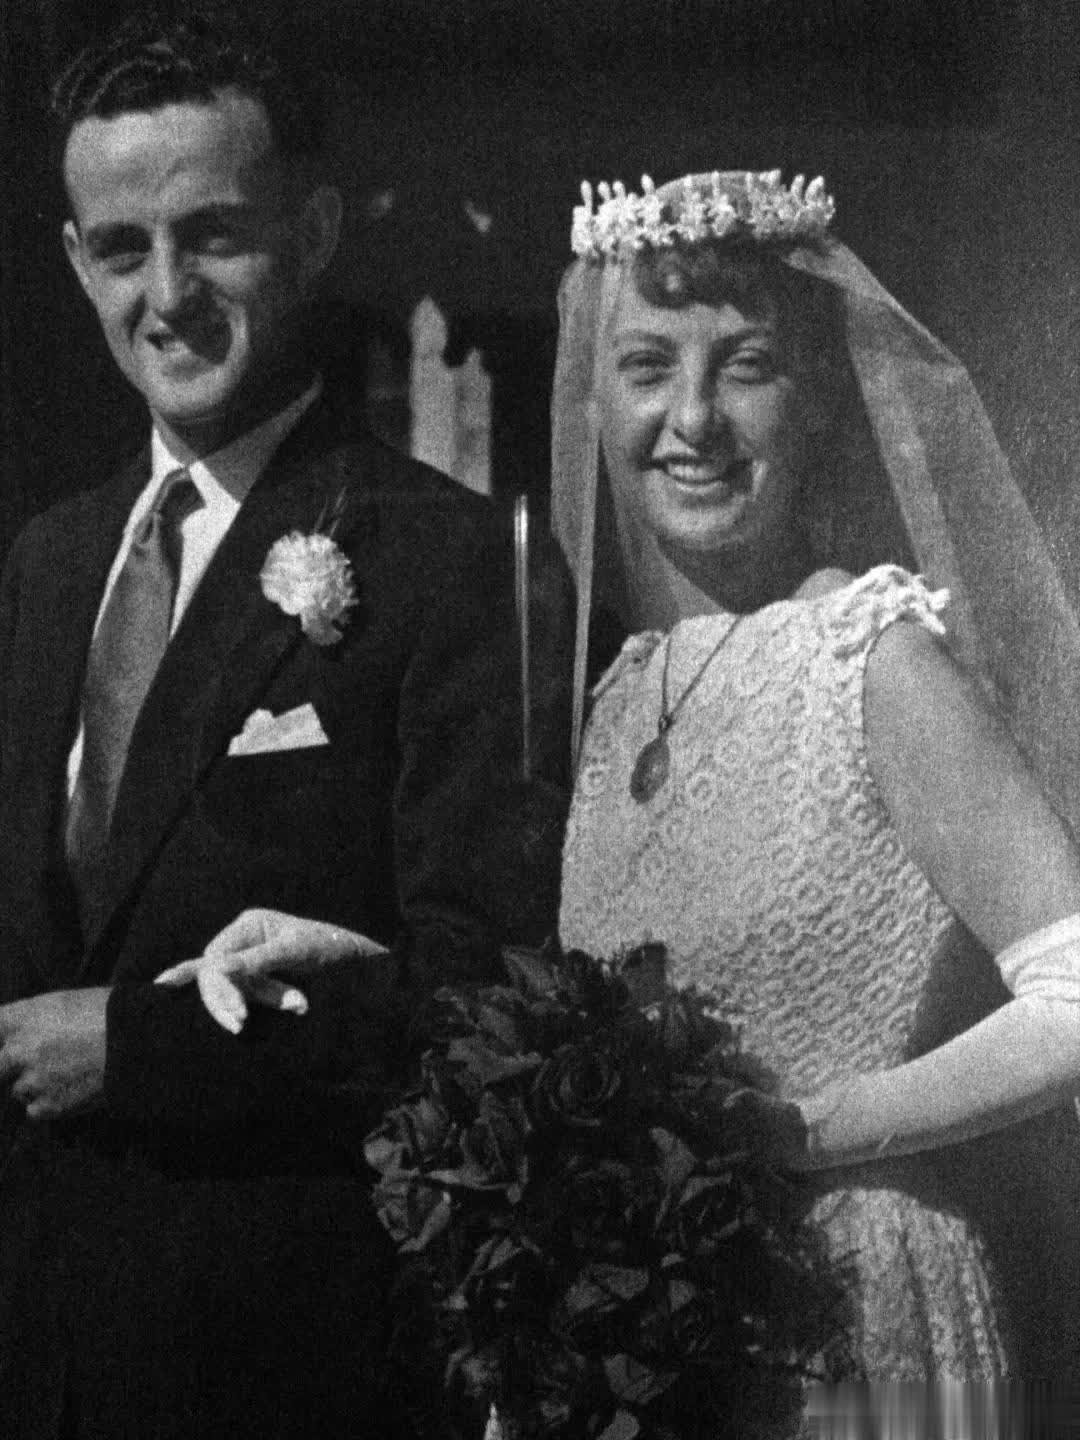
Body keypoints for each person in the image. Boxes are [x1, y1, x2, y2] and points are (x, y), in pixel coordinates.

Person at [178, 172, 1080, 1428]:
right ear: (594, 397)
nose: (692, 419)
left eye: (746, 365)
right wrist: (362, 963)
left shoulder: (873, 658)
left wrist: (807, 1130)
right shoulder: (621, 686)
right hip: (661, 1334)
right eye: (648, 366)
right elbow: (606, 1027)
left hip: (855, 1311)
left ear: (817, 395)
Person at [0, 9, 570, 1439]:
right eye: (120, 249)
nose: (167, 294)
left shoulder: (450, 564)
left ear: (312, 234)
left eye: (214, 235)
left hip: (288, 1361)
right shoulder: (50, 562)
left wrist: (140, 1048)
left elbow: (487, 994)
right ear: (73, 261)